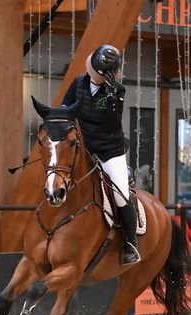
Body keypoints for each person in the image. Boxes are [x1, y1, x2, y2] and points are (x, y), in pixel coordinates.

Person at [62, 44, 141, 265]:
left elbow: (113, 122)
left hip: (109, 151)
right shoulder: (78, 83)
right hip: (85, 148)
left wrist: (113, 95)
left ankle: (131, 243)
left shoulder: (117, 91)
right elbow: (65, 107)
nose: (94, 77)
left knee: (120, 195)